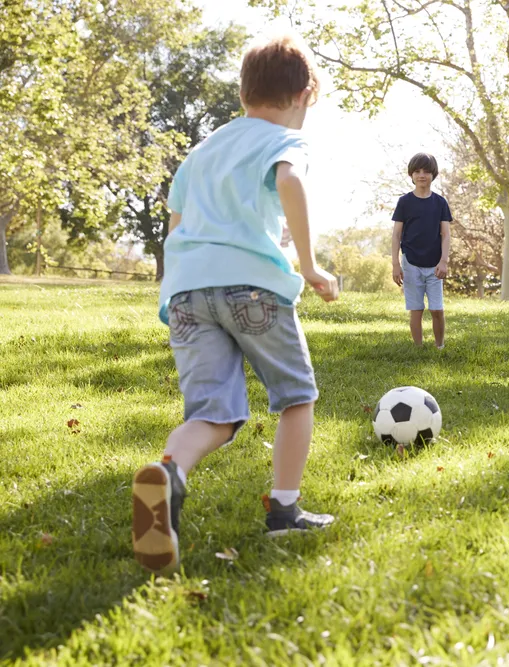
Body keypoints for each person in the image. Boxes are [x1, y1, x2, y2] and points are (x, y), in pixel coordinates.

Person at [131, 34, 339, 573]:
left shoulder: (201, 151)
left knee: (213, 415)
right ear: (304, 95)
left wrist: (173, 293)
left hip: (186, 293)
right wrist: (310, 267)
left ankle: (171, 469)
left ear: (244, 91)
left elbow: (176, 224)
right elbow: (289, 180)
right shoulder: (280, 142)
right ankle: (285, 510)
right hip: (252, 287)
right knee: (295, 398)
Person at [391, 153, 452, 348]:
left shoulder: (440, 203)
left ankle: (439, 346)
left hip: (435, 265)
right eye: (417, 171)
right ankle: (418, 348)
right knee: (416, 310)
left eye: (426, 171)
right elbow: (396, 235)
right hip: (411, 264)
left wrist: (444, 261)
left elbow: (446, 234)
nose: (422, 175)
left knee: (437, 310)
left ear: (433, 174)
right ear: (411, 175)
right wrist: (395, 264)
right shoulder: (405, 202)